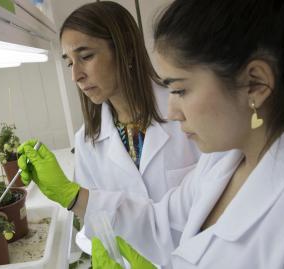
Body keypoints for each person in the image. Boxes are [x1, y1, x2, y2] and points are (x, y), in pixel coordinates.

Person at [18, 0, 284, 268]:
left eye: (182, 90)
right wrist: (75, 198)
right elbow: (163, 222)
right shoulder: (223, 162)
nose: (172, 112)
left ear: (255, 84)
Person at [54, 1, 199, 257]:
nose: (76, 75)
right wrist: (106, 252)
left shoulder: (187, 111)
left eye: (86, 56)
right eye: (69, 62)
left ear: (127, 50)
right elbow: (96, 227)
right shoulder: (88, 142)